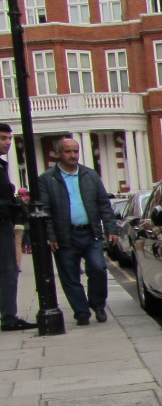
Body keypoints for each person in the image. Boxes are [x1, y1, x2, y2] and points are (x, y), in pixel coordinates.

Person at [38, 136, 118, 326]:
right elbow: (45, 210)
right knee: (70, 276)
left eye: (75, 151)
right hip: (65, 236)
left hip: (91, 234)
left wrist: (111, 228)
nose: (73, 155)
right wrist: (51, 235)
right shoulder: (47, 179)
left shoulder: (90, 175)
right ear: (59, 153)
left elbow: (104, 204)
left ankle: (98, 304)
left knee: (98, 268)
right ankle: (81, 312)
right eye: (68, 151)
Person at [0, 124, 34, 331]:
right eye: (3, 138)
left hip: (5, 223)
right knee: (8, 270)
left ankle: (9, 314)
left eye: (9, 139)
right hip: (1, 225)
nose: (8, 143)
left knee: (8, 270)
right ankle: (9, 317)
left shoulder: (1, 166)